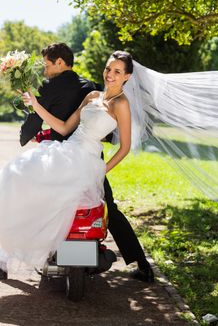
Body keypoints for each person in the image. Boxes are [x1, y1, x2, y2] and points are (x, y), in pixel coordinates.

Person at [0, 49, 154, 282]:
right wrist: (35, 103)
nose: (110, 75)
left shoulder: (122, 104)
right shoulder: (92, 95)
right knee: (18, 176)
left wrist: (102, 170)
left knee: (104, 208)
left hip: (90, 161)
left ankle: (140, 264)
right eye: (108, 69)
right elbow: (63, 128)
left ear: (127, 77)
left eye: (117, 71)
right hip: (68, 151)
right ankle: (12, 250)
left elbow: (124, 147)